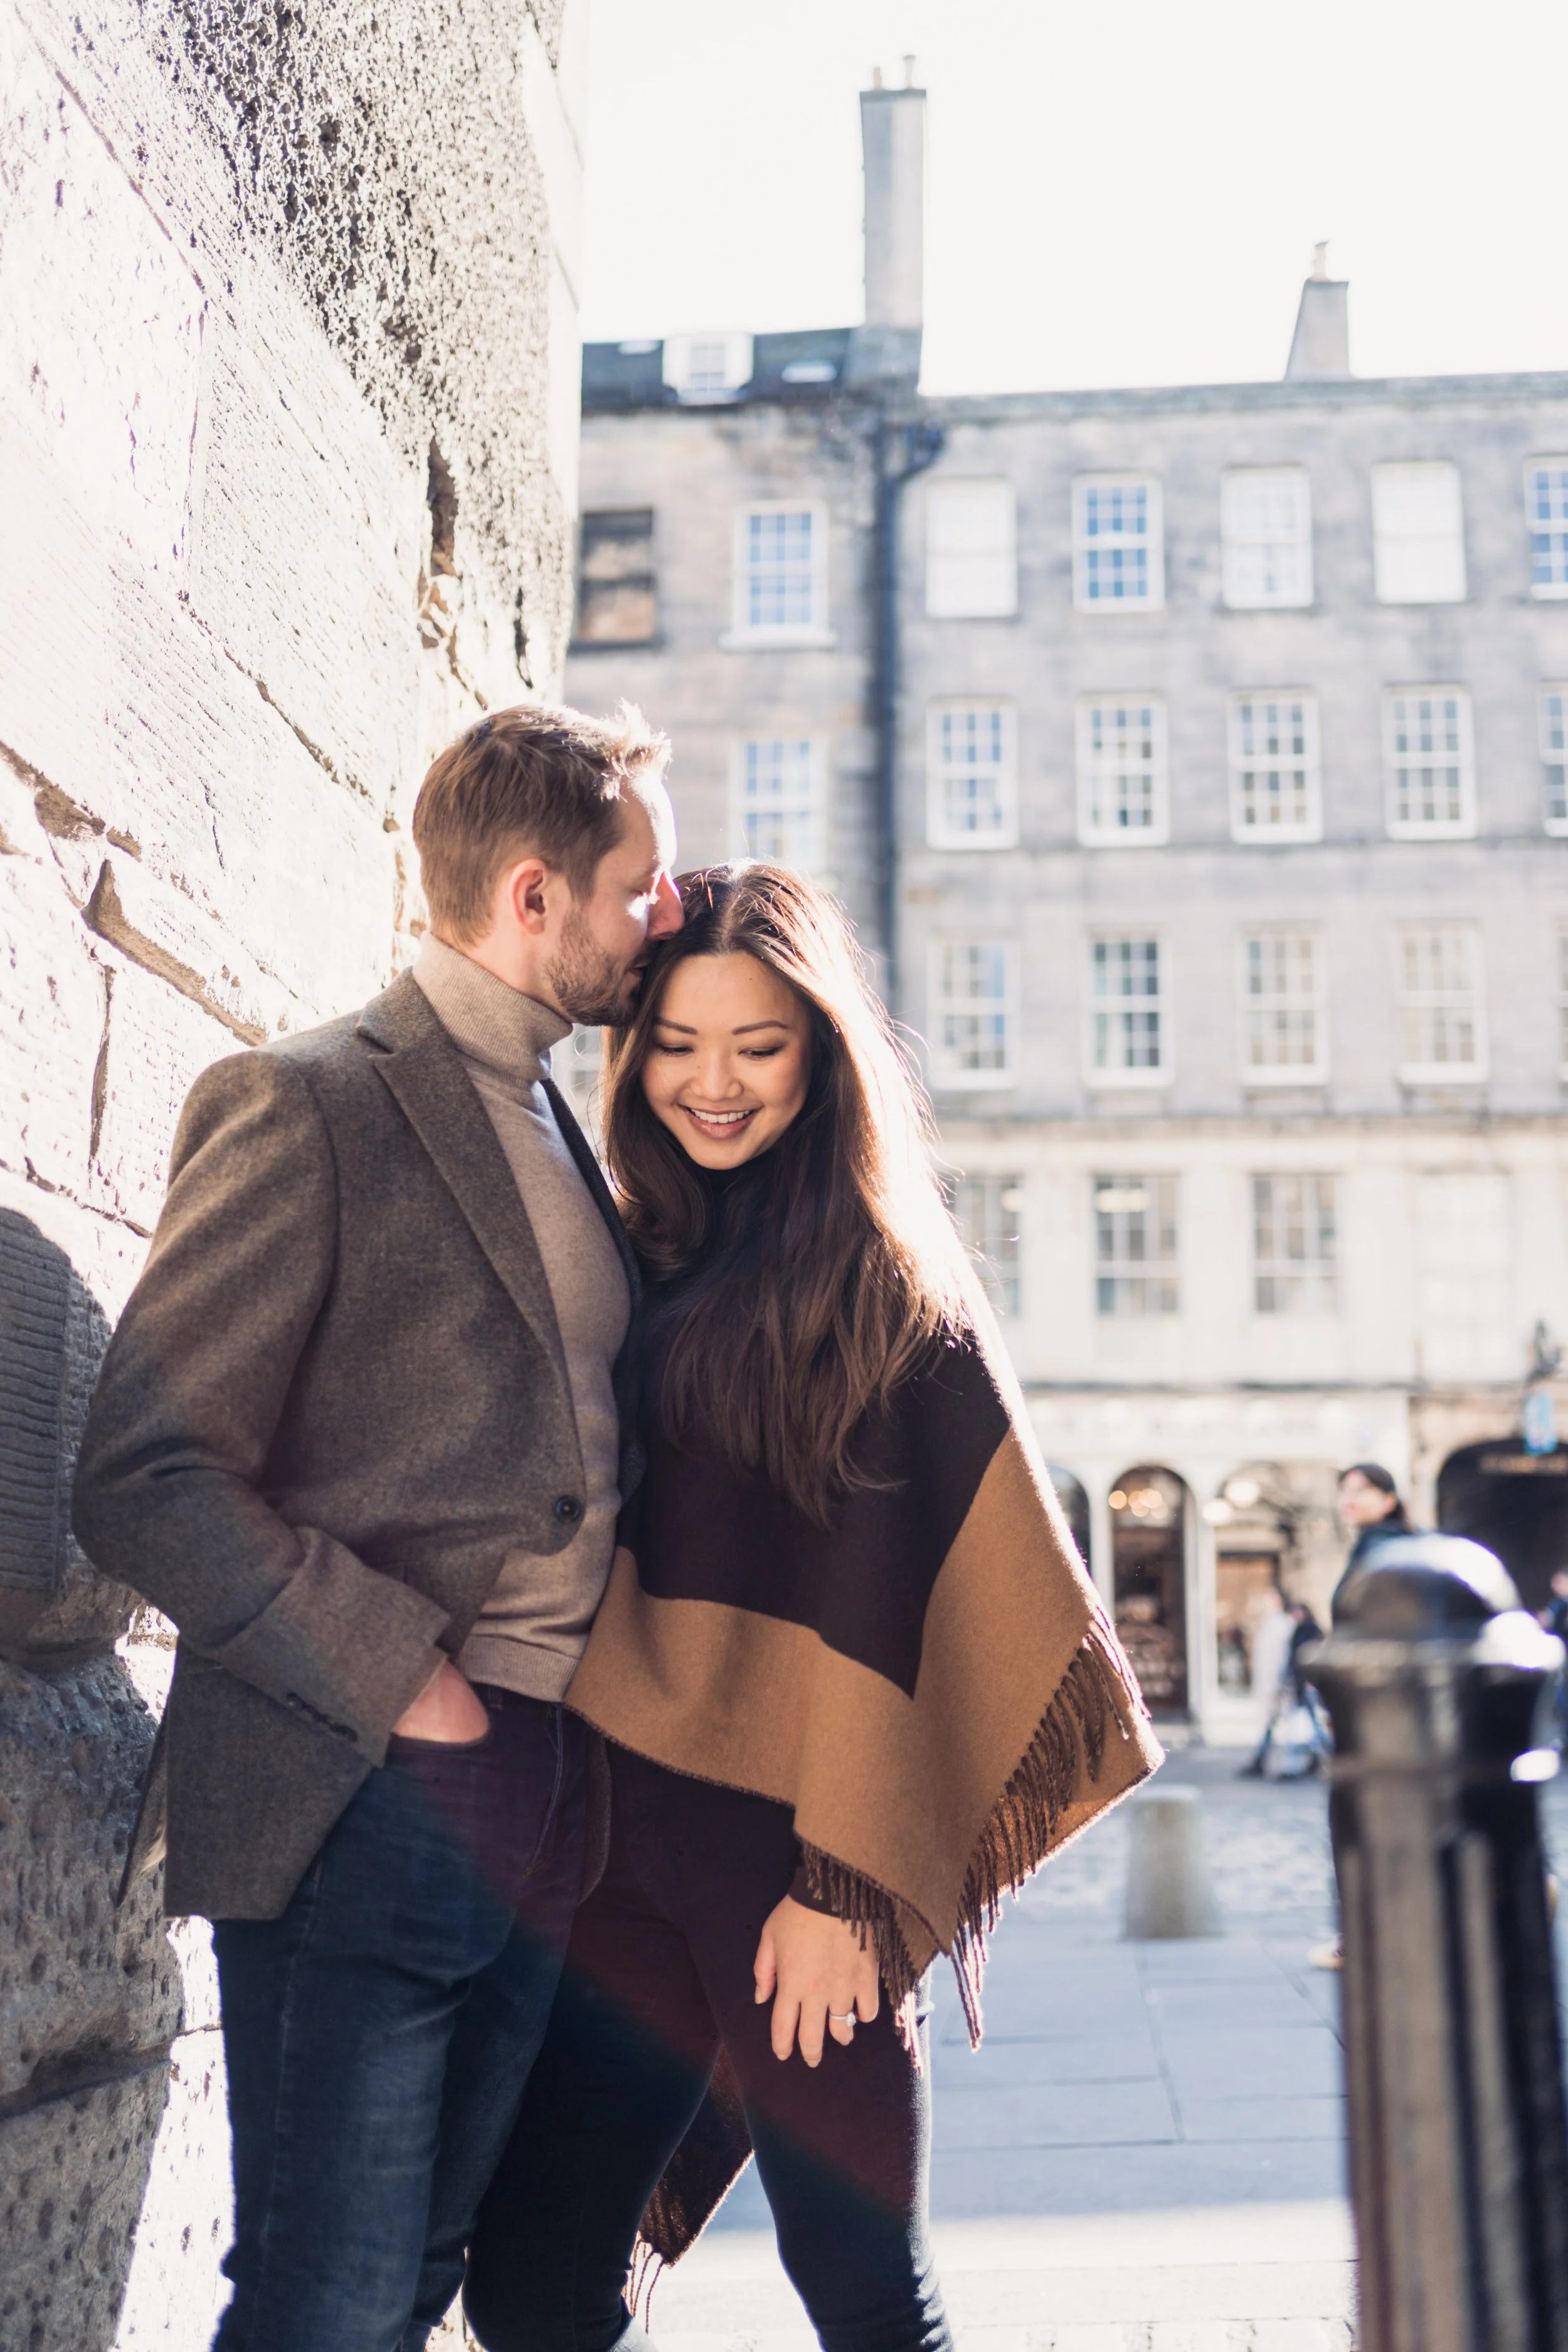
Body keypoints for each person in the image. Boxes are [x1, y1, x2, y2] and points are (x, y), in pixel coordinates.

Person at [460, 865, 1162, 2352]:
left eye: (757, 1047)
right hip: (614, 1851)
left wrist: (846, 1886)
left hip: (791, 1870)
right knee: (530, 2281)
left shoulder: (888, 1288)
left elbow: (912, 1589)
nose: (711, 1084)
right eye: (676, 1044)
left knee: (859, 2296)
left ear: (823, 1055)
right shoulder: (634, 1248)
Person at [72, 704, 682, 2352]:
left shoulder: (566, 1122)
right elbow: (143, 1466)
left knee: (411, 2286)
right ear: (537, 891)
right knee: (328, 2297)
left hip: (548, 1786)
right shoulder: (312, 1100)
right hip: (379, 1779)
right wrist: (413, 1686)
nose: (666, 917)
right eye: (644, 884)